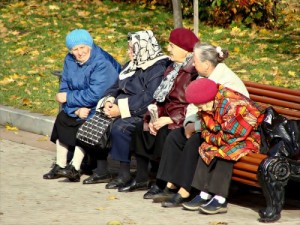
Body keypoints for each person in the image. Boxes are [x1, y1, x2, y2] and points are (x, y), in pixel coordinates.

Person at [147, 43, 250, 208]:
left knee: (195, 140)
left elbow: (225, 118)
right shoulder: (203, 76)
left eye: (195, 60)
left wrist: (195, 127)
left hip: (230, 130)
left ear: (207, 64)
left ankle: (185, 189)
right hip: (205, 123)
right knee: (176, 137)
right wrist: (189, 123)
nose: (193, 64)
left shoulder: (227, 82)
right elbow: (193, 106)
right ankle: (170, 184)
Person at [81, 30, 170, 186]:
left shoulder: (157, 68)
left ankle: (124, 173)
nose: (128, 52)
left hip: (141, 111)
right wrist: (109, 101)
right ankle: (101, 171)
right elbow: (115, 86)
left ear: (142, 48)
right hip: (122, 107)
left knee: (119, 128)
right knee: (97, 122)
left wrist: (121, 109)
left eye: (131, 49)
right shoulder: (131, 65)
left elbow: (149, 97)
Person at [118, 28, 200, 193]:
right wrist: (152, 116)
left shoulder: (193, 72)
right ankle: (141, 178)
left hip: (179, 119)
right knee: (140, 128)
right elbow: (159, 97)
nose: (168, 49)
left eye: (172, 45)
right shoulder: (172, 68)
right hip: (165, 115)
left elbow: (193, 104)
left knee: (165, 133)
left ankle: (162, 182)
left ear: (185, 49)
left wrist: (171, 119)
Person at [43, 29, 121, 182]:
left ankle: (75, 167)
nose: (79, 53)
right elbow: (64, 86)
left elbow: (96, 94)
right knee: (63, 118)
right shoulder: (70, 60)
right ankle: (60, 164)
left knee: (86, 121)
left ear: (90, 46)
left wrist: (70, 99)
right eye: (75, 49)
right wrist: (75, 109)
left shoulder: (101, 62)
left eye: (83, 47)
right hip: (78, 104)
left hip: (102, 104)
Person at [182, 78, 264, 214]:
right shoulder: (210, 102)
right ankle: (204, 194)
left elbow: (233, 136)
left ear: (208, 99)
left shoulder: (232, 105)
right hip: (224, 137)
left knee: (225, 152)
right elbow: (205, 129)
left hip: (247, 139)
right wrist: (210, 138)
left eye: (200, 106)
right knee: (206, 148)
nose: (200, 109)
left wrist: (211, 137)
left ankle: (220, 198)